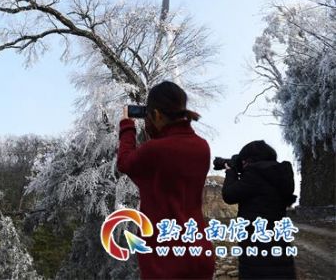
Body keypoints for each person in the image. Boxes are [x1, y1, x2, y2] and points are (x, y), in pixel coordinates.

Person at [117, 81, 215, 279]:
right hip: (199, 253)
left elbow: (125, 162)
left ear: (157, 115)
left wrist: (127, 126)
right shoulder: (202, 147)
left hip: (165, 262)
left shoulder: (155, 151)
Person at [222, 140, 297, 279]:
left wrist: (230, 172)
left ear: (248, 160)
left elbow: (229, 195)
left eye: (243, 161)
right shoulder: (278, 174)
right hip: (279, 245)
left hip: (256, 248)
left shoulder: (255, 174)